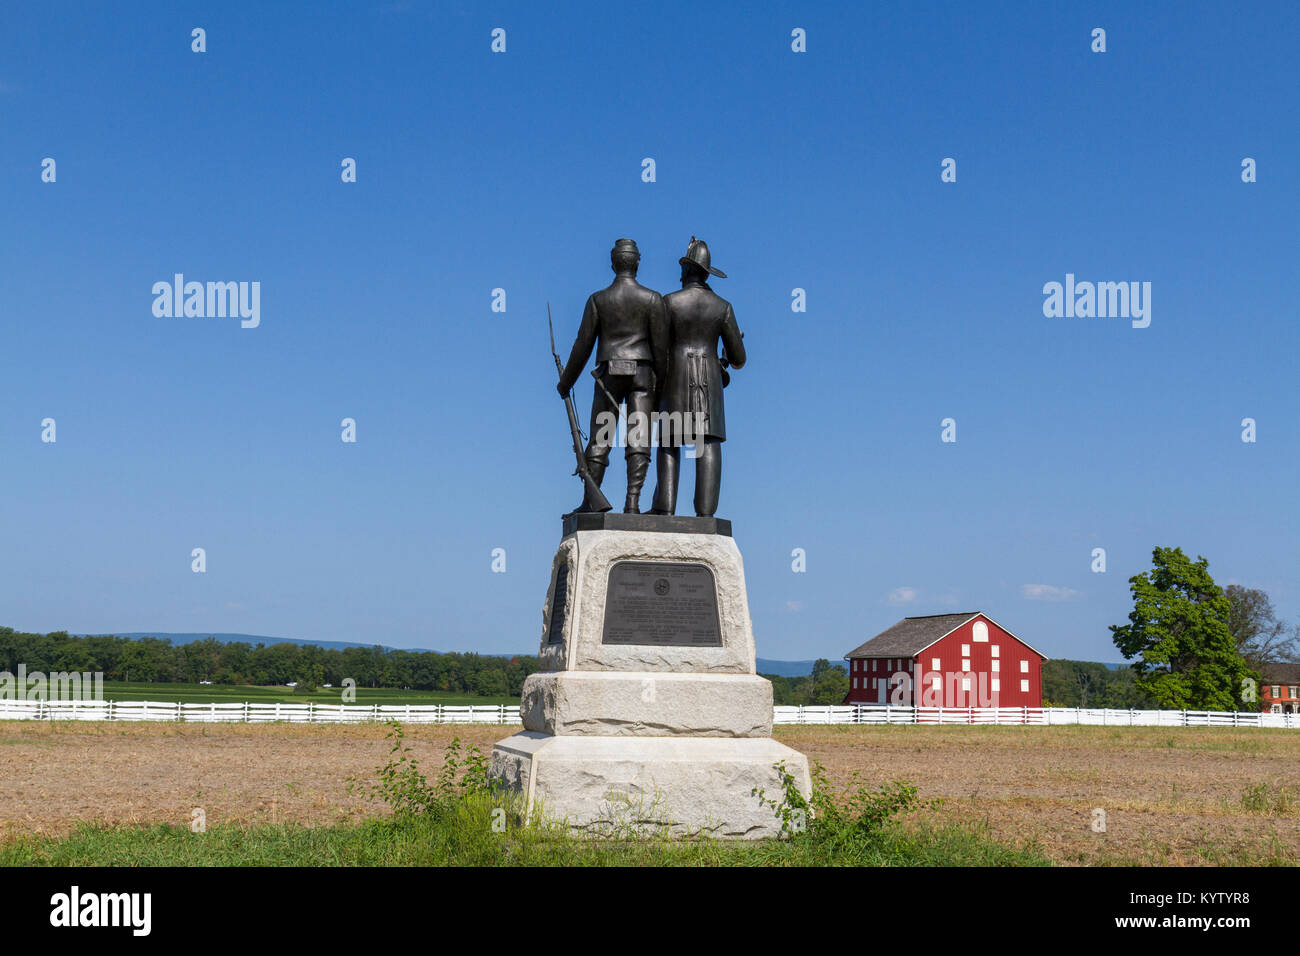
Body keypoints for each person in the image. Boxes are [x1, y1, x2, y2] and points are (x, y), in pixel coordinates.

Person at [557, 238, 668, 514]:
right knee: (639, 436)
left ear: (612, 262)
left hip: (608, 373)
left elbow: (581, 346)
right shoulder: (652, 299)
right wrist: (662, 386)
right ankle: (633, 502)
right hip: (642, 373)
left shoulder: (598, 300)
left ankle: (589, 503)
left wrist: (566, 382)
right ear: (638, 262)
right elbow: (661, 350)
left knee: (601, 437)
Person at [649, 237, 746, 518]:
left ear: (687, 270)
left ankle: (664, 506)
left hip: (674, 379)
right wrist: (723, 358)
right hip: (710, 384)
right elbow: (739, 359)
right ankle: (705, 513)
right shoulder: (723, 307)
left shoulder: (669, 302)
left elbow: (657, 348)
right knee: (709, 441)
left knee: (669, 440)